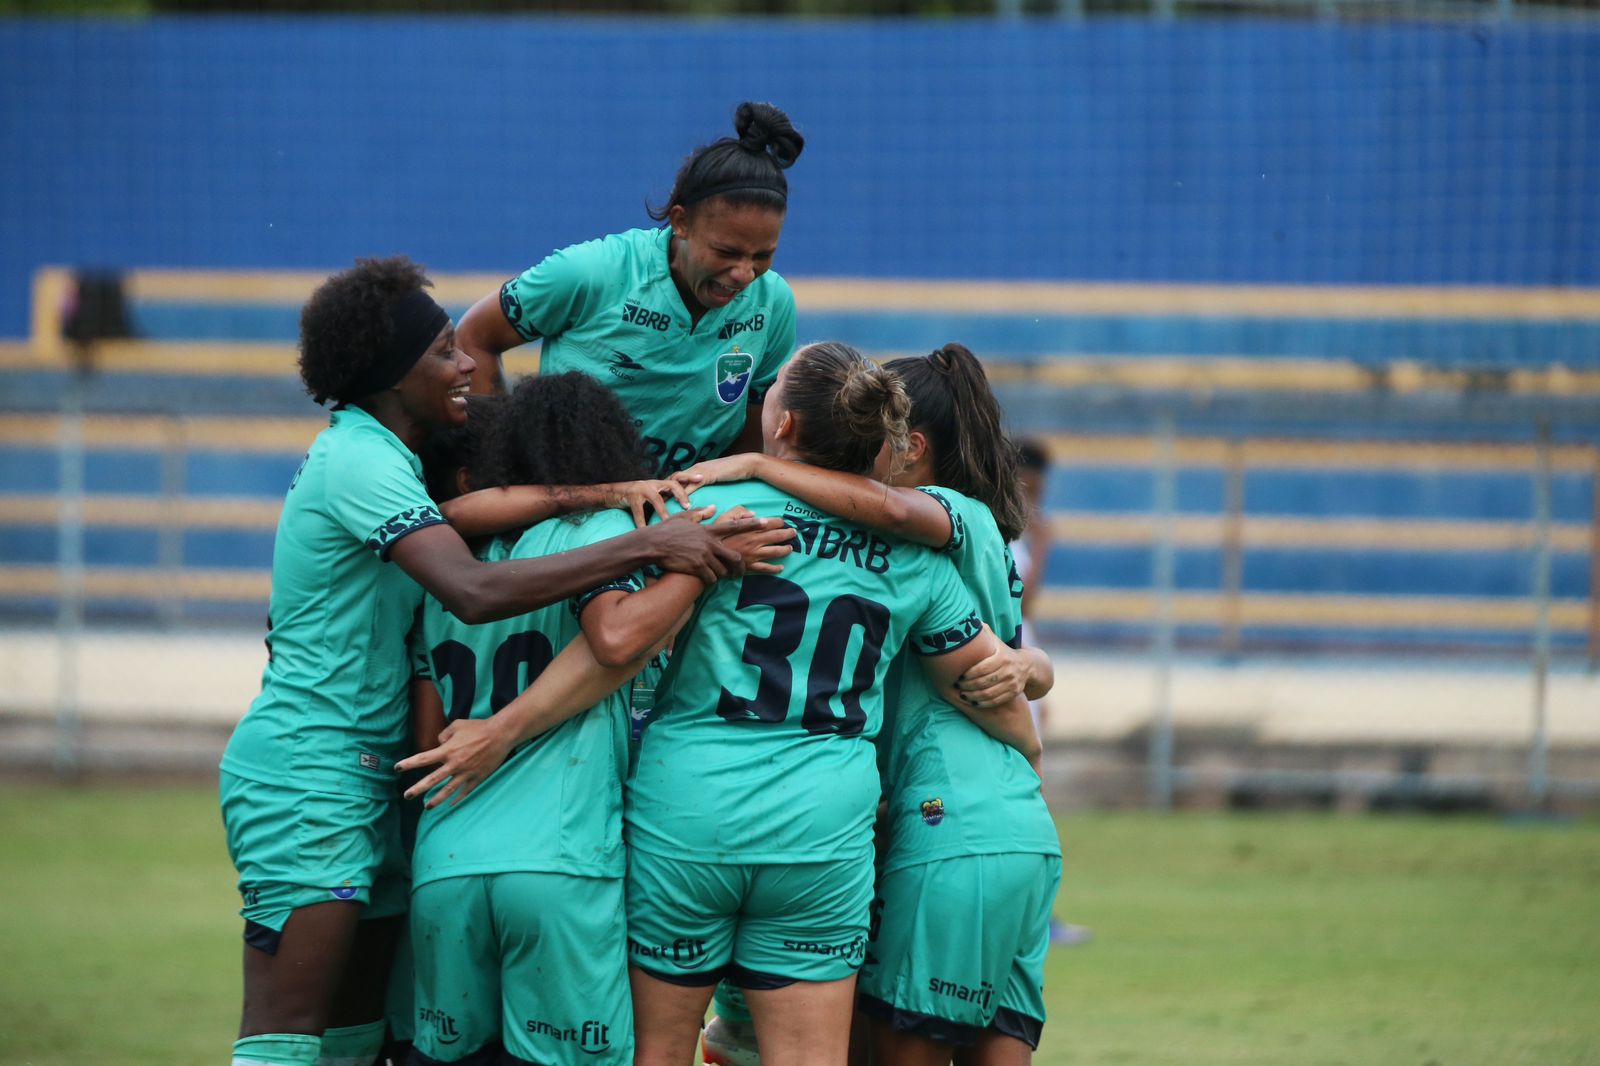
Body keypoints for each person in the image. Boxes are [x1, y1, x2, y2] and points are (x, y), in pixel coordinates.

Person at [216, 257, 776, 1066]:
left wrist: (597, 493)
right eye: (446, 351)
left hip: (387, 779)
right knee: (286, 1028)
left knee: (352, 1037)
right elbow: (473, 589)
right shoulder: (361, 461)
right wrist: (652, 538)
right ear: (388, 371)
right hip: (313, 767)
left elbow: (472, 516)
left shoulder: (394, 466)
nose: (468, 365)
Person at [624, 341, 1040, 1066]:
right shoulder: (915, 555)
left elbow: (615, 636)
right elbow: (990, 679)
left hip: (687, 809)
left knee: (655, 1052)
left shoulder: (707, 506)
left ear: (782, 426)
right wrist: (1032, 699)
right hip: (824, 826)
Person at [405, 373, 780, 1066]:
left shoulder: (446, 566)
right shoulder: (605, 534)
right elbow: (615, 638)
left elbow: (428, 735)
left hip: (445, 857)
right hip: (560, 856)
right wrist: (704, 564)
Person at [455, 101, 805, 475]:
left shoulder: (772, 303)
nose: (745, 274)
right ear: (680, 222)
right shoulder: (590, 273)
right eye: (727, 252)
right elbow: (474, 336)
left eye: (763, 256)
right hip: (569, 510)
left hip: (682, 518)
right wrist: (498, 467)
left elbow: (754, 437)